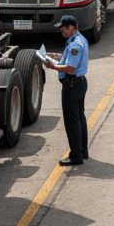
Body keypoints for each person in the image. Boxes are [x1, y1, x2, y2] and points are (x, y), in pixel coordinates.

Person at [46, 15, 90, 166]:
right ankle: (82, 150)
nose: (61, 30)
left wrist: (53, 66)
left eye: (63, 27)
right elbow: (68, 61)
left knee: (72, 122)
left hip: (72, 85)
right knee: (80, 118)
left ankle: (75, 155)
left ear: (71, 27)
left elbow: (70, 69)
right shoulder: (79, 39)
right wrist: (55, 58)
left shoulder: (74, 45)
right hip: (79, 83)